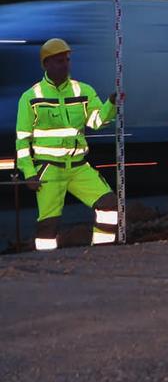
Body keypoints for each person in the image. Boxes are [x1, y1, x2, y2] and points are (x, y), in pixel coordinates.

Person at [15, 39, 121, 250]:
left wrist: (111, 104)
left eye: (66, 60)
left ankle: (103, 253)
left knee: (109, 204)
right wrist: (28, 173)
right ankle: (46, 266)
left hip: (79, 167)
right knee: (48, 225)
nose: (64, 65)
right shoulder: (30, 97)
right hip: (49, 170)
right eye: (58, 61)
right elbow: (22, 140)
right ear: (46, 64)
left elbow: (96, 122)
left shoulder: (83, 91)